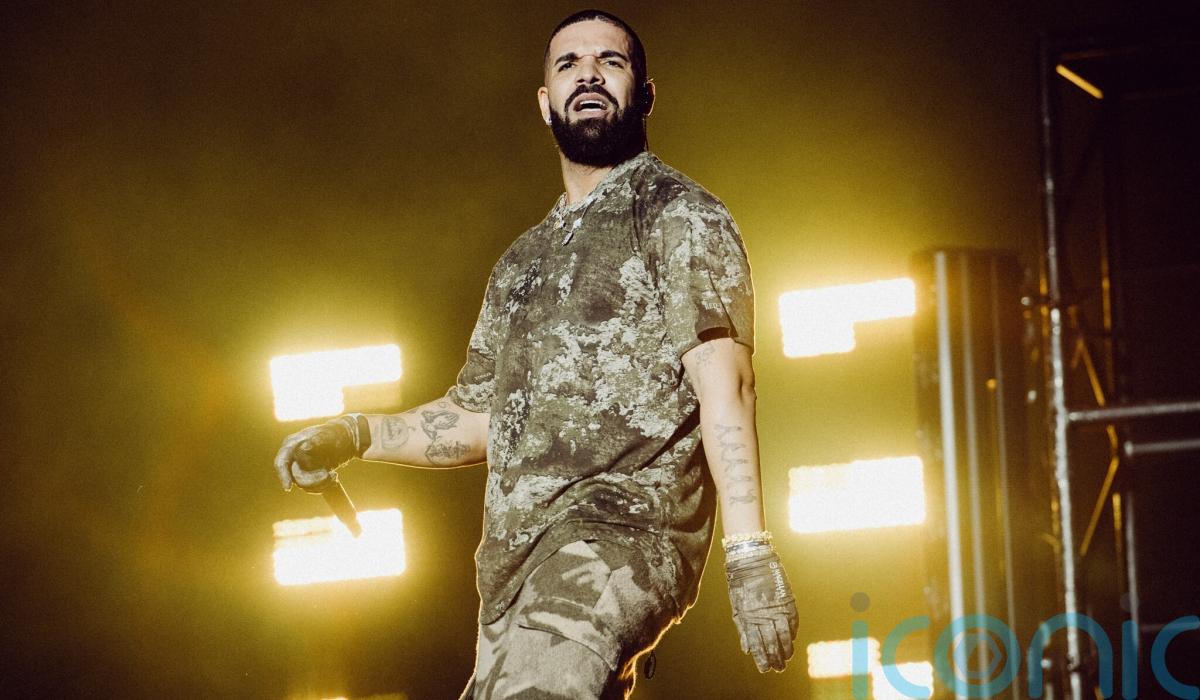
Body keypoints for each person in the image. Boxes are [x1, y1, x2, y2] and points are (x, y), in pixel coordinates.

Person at [273, 9, 798, 699]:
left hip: (616, 540)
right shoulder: (521, 262)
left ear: (644, 95)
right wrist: (353, 433)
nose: (589, 74)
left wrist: (750, 553)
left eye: (610, 62)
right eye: (569, 64)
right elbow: (479, 419)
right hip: (514, 579)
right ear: (546, 102)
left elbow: (726, 383)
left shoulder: (677, 214)